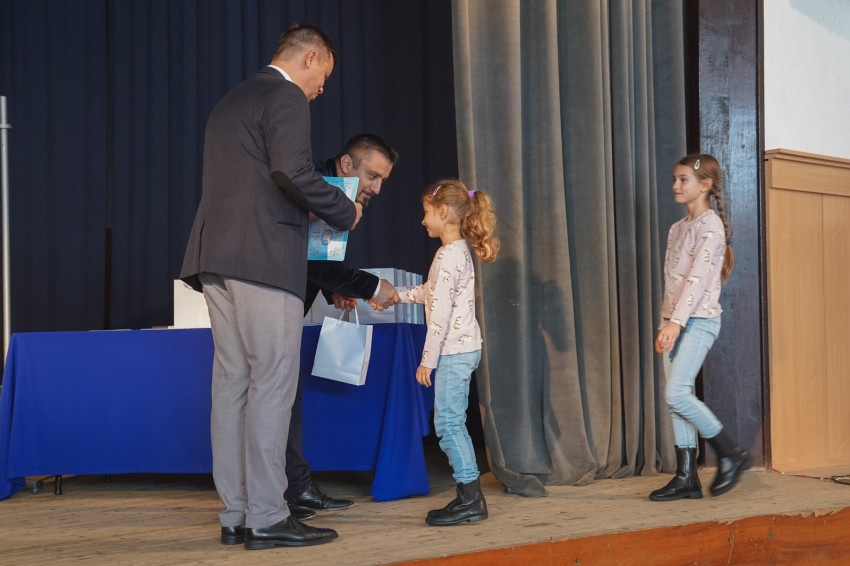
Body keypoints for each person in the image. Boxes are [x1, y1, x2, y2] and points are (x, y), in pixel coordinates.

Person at [179, 24, 362, 550]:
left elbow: (257, 181)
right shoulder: (285, 96)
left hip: (216, 258)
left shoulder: (231, 100)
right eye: (323, 76)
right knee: (272, 383)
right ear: (310, 57)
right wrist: (344, 210)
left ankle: (236, 513)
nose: (321, 89)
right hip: (262, 259)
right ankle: (267, 516)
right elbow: (293, 171)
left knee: (232, 384)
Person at [284, 134, 400, 519]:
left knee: (285, 399)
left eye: (383, 180)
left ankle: (294, 490)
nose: (377, 188)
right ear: (347, 164)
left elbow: (312, 258)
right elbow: (312, 261)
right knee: (280, 399)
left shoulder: (334, 189)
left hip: (286, 307)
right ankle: (286, 494)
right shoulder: (320, 187)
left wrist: (333, 289)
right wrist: (372, 287)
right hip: (271, 307)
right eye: (372, 176)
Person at [395, 179, 499, 526]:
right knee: (451, 422)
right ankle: (469, 496)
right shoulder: (454, 253)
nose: (423, 220)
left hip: (454, 352)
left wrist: (427, 361)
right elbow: (431, 292)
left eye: (426, 212)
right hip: (460, 349)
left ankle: (471, 499)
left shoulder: (449, 254)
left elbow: (439, 314)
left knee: (449, 423)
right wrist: (395, 295)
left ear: (443, 212)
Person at [649, 154, 751, 502]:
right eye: (674, 179)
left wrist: (677, 323)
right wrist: (665, 323)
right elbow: (672, 283)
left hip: (699, 321)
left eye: (683, 180)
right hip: (674, 322)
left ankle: (730, 453)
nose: (675, 185)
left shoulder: (711, 227)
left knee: (676, 394)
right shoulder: (677, 228)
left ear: (705, 184)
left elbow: (696, 281)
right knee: (677, 401)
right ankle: (686, 477)